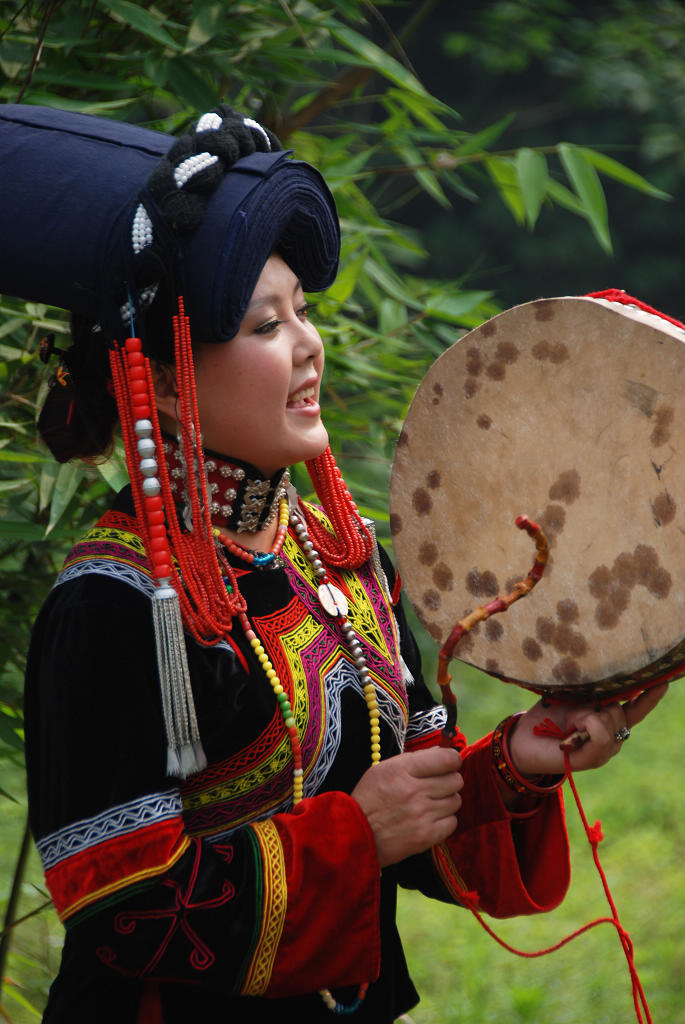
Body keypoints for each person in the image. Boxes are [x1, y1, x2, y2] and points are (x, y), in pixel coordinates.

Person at [0, 103, 665, 1023]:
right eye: (265, 326)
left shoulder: (341, 556)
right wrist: (354, 833)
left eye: (303, 314)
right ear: (158, 376)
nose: (310, 346)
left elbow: (411, 806)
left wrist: (518, 762)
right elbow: (118, 907)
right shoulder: (116, 605)